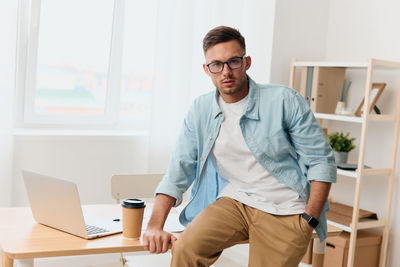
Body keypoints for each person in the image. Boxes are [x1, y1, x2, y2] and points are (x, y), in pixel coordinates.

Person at [143, 25, 336, 267]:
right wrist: (154, 226)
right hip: (235, 201)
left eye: (233, 62)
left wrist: (309, 219)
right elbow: (178, 169)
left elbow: (321, 161)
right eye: (216, 64)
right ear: (207, 69)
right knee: (185, 251)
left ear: (247, 62)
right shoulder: (200, 109)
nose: (226, 72)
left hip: (286, 208)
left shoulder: (284, 100)